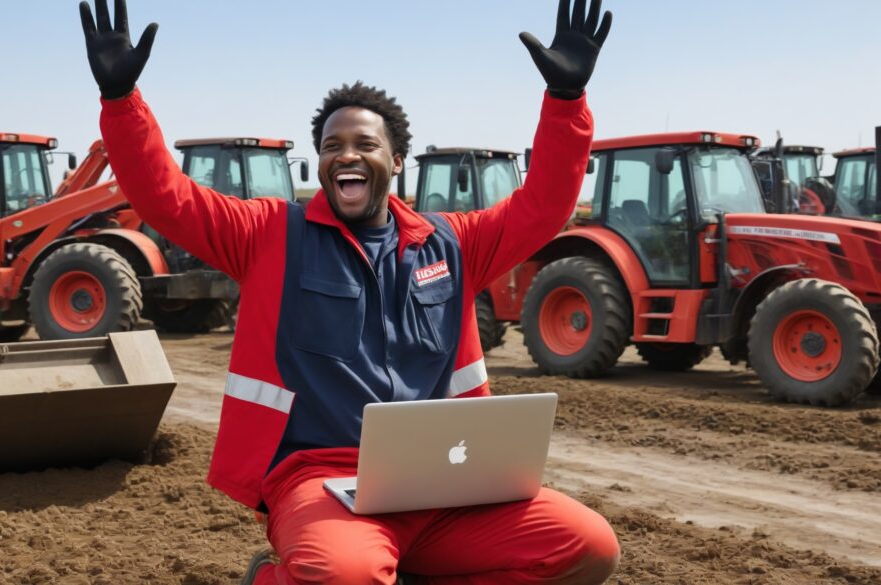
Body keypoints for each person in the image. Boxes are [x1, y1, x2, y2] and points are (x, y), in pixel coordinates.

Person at [79, 0, 618, 582]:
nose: (345, 155)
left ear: (397, 161)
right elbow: (168, 197)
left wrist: (566, 104)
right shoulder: (269, 236)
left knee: (586, 546)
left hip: (442, 485)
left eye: (363, 143)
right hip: (323, 482)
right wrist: (122, 100)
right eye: (332, 146)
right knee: (344, 576)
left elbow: (544, 207)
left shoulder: (452, 243)